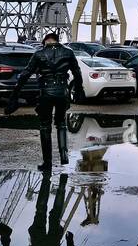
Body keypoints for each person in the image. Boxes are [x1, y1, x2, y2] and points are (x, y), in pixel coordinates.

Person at [5, 30, 81, 171]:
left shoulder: (39, 54)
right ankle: (64, 155)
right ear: (57, 40)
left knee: (45, 126)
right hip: (62, 92)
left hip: (45, 93)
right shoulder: (68, 52)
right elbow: (77, 72)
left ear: (45, 40)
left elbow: (25, 74)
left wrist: (15, 95)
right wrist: (79, 90)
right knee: (61, 123)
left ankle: (47, 163)